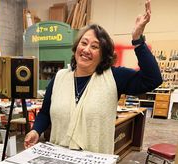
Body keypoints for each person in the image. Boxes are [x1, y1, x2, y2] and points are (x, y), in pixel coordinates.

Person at [24, 0, 162, 154]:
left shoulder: (113, 77)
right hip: (59, 162)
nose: (86, 50)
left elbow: (153, 79)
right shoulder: (59, 78)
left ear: (103, 55)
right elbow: (45, 112)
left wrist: (137, 40)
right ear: (76, 47)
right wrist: (36, 130)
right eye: (84, 43)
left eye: (95, 46)